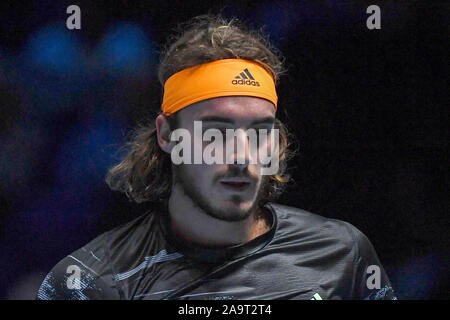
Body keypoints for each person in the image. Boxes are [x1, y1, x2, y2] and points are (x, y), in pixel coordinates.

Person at [37, 15, 396, 300]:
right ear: (166, 135)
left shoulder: (342, 255)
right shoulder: (90, 283)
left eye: (259, 130)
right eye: (217, 132)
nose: (241, 155)